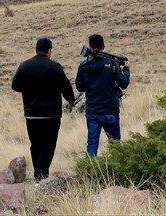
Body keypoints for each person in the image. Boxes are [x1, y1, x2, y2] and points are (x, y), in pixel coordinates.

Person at [10, 37, 75, 181]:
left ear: (36, 49)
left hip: (31, 114)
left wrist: (28, 90)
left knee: (36, 145)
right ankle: (42, 175)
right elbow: (66, 87)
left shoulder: (24, 66)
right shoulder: (55, 66)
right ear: (49, 50)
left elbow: (14, 86)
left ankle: (39, 174)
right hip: (51, 114)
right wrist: (71, 101)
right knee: (49, 145)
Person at [75, 33, 131, 157]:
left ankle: (91, 170)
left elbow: (79, 87)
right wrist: (126, 69)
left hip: (93, 111)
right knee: (115, 145)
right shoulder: (112, 63)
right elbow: (124, 83)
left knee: (92, 144)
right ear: (104, 46)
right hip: (110, 109)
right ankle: (116, 171)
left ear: (90, 46)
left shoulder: (84, 65)